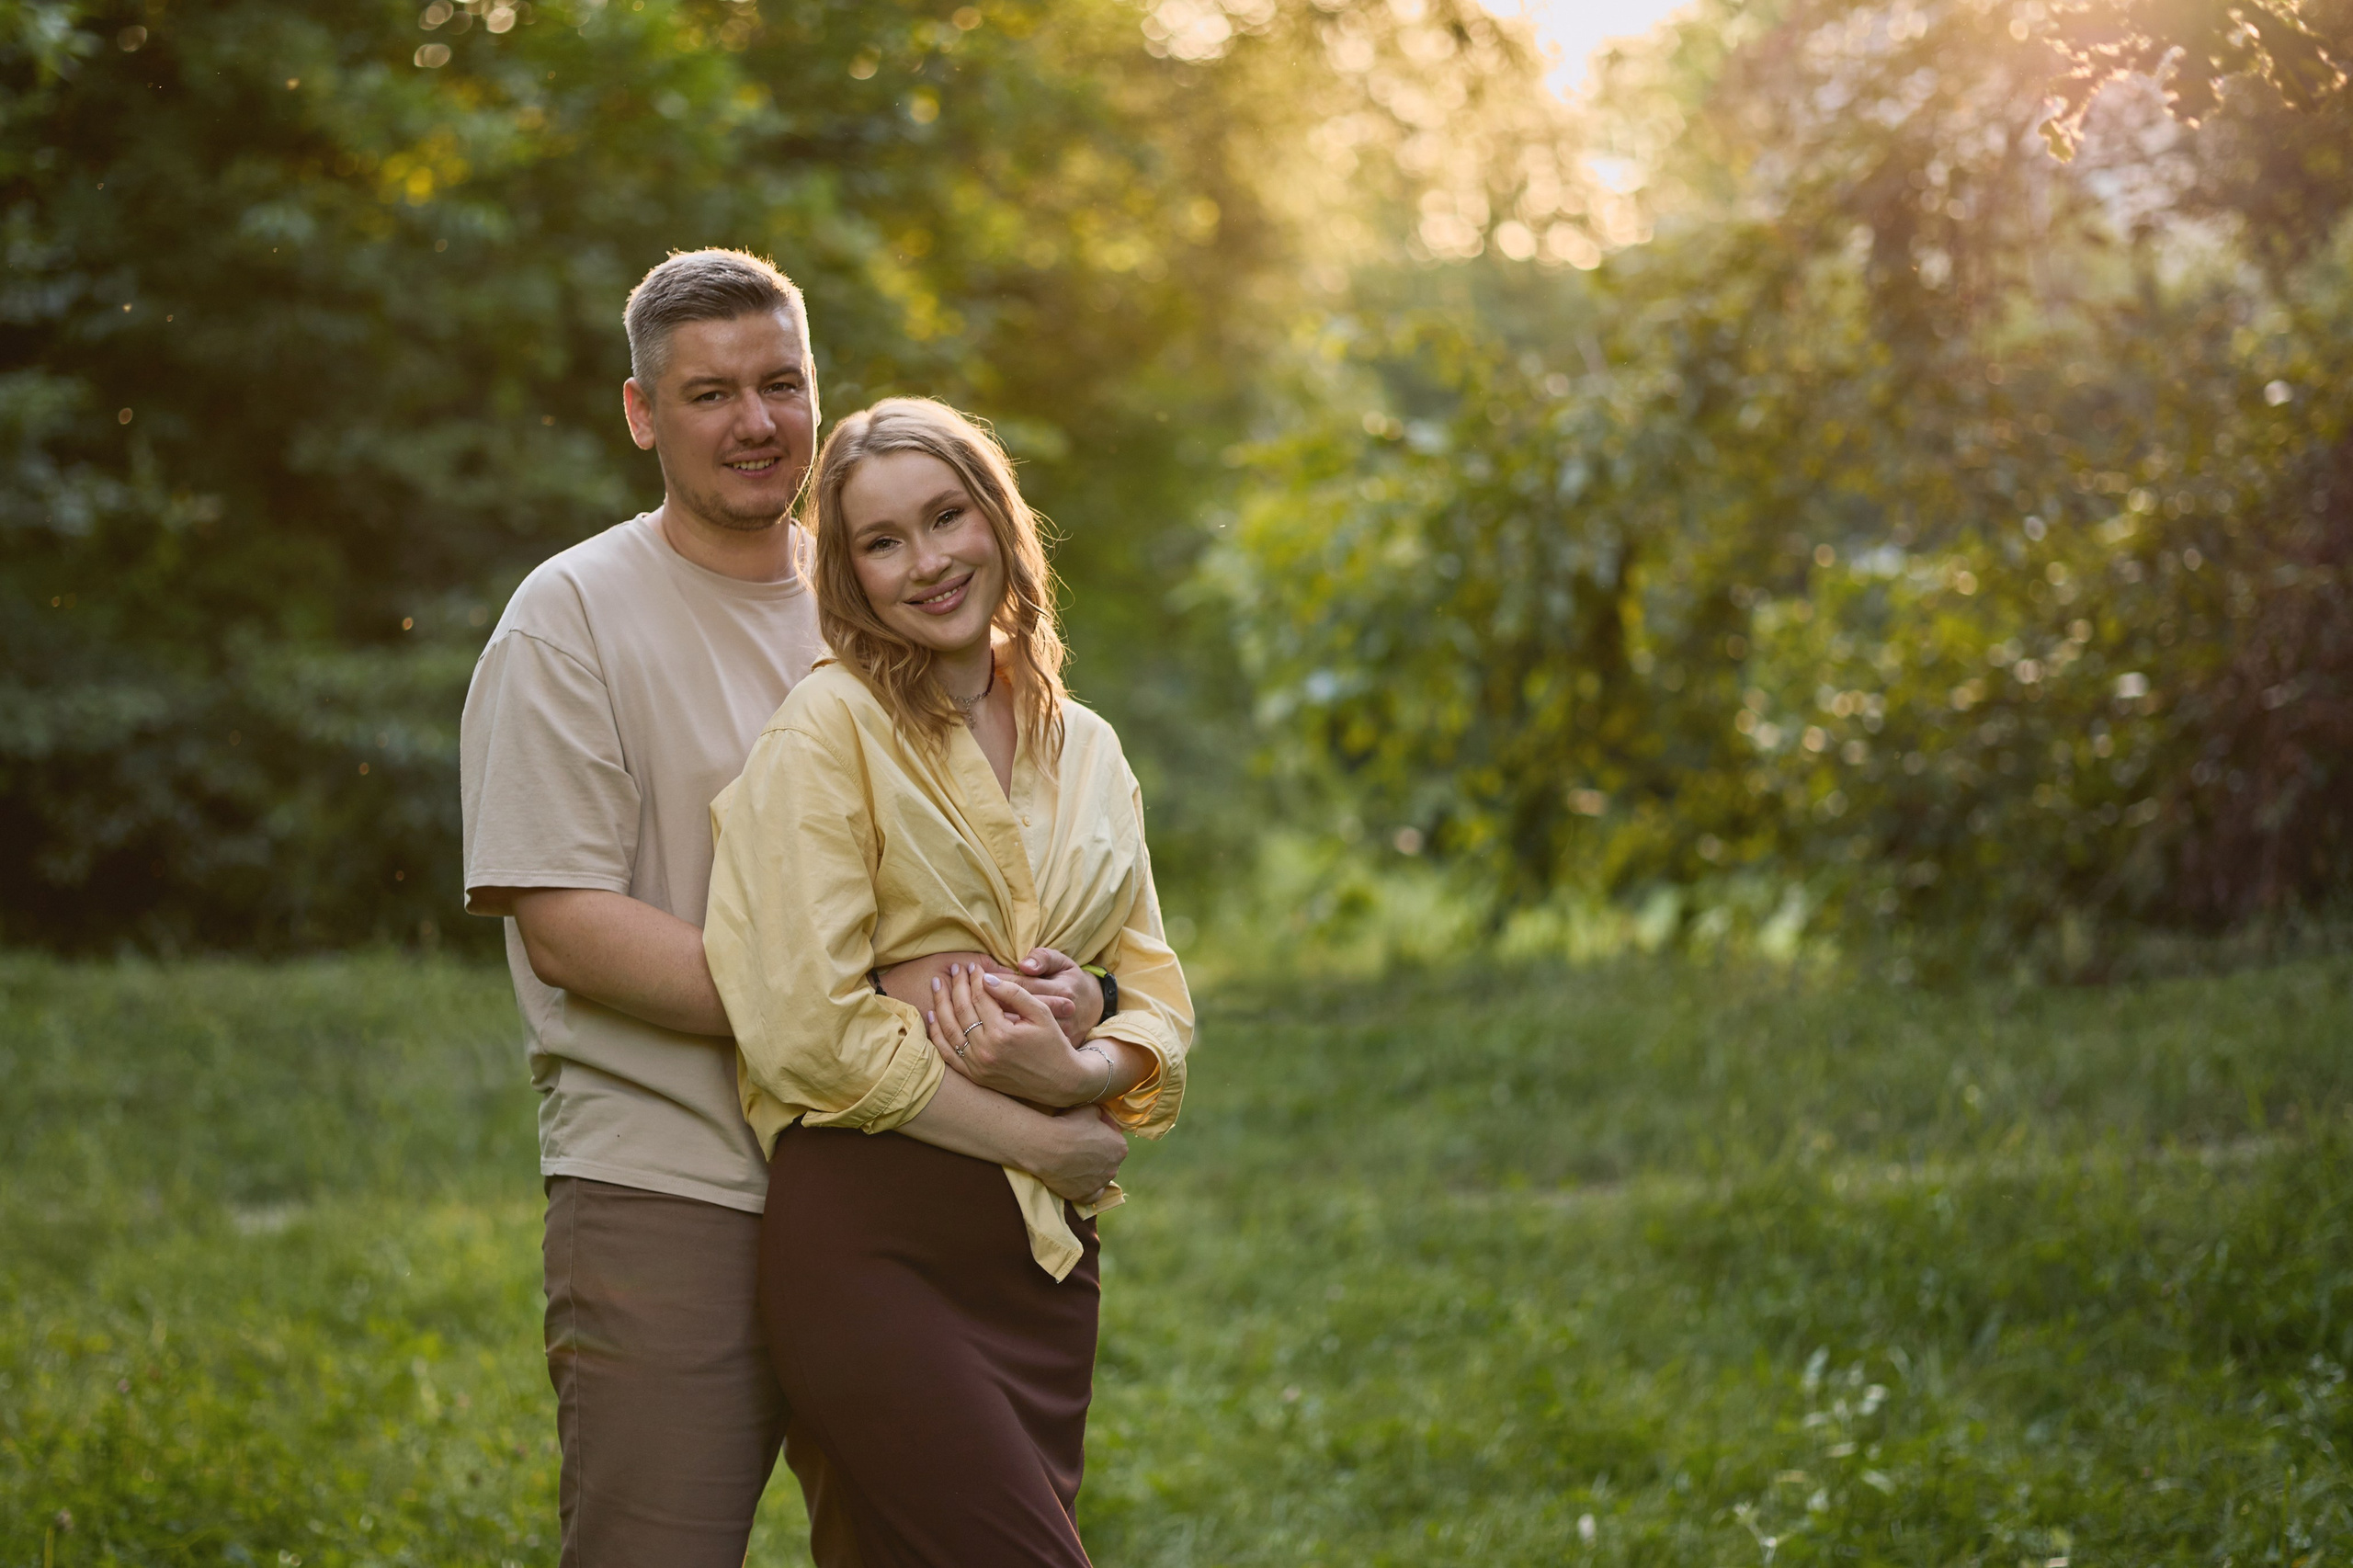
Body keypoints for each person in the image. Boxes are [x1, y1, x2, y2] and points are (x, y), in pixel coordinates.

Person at [459, 252, 1129, 1568]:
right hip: (673, 1177)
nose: (755, 422)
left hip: (912, 1175)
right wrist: (857, 1011)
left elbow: (1016, 858)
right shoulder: (571, 617)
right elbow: (567, 923)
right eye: (709, 393)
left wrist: (1076, 994)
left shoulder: (884, 586)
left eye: (781, 383)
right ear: (643, 413)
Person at [704, 396, 1195, 1567]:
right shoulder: (829, 728)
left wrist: (1082, 1060)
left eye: (945, 517)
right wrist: (1041, 1136)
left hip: (1040, 1266)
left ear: (999, 523)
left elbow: (1157, 993)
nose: (926, 562)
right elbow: (803, 1029)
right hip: (875, 1239)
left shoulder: (1092, 747)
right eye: (882, 540)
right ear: (848, 571)